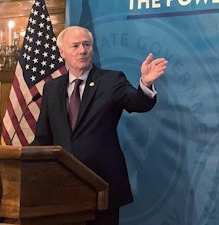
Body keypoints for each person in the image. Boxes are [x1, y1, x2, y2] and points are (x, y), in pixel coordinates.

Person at [30, 26, 168, 225]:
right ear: (62, 52)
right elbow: (43, 137)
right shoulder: (51, 88)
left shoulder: (111, 81)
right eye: (75, 46)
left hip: (102, 186)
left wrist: (145, 84)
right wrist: (23, 159)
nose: (82, 50)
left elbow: (137, 103)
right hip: (62, 188)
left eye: (87, 45)